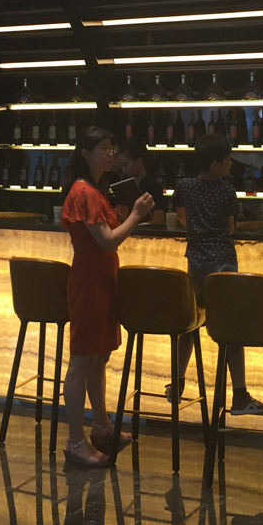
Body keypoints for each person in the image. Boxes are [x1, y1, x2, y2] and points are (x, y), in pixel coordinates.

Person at [60, 125, 155, 466]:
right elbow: (108, 241)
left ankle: (100, 425)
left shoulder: (94, 188)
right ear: (86, 153)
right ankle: (75, 441)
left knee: (98, 355)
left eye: (111, 146)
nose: (110, 152)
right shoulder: (83, 191)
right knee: (82, 360)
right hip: (89, 278)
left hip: (99, 276)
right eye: (103, 147)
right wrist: (136, 214)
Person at [172, 133, 263, 415]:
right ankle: (239, 396)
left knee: (190, 324)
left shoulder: (184, 186)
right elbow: (230, 226)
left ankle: (177, 384)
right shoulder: (226, 190)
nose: (230, 164)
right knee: (230, 330)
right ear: (215, 164)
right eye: (227, 160)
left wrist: (197, 231)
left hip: (196, 264)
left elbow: (181, 216)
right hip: (223, 266)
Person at [114, 140, 166, 226]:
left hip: (145, 232)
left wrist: (133, 225)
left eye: (126, 165)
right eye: (122, 166)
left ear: (138, 161)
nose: (124, 169)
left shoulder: (153, 186)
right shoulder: (123, 185)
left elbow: (159, 219)